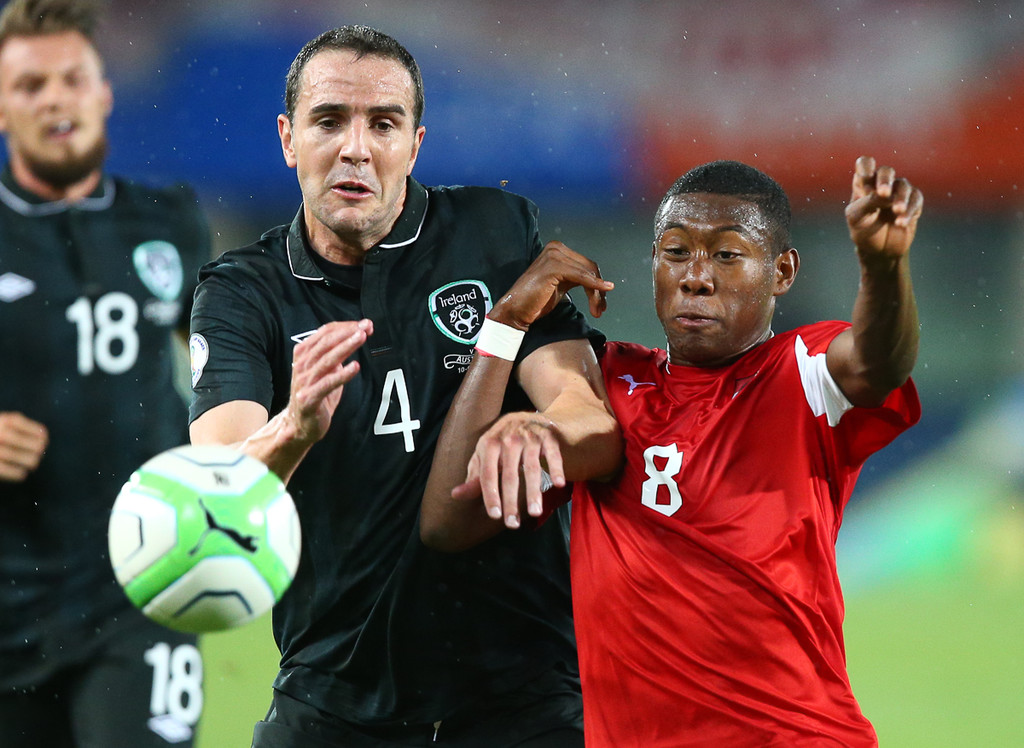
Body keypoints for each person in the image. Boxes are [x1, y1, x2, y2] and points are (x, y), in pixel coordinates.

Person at [187, 24, 621, 748]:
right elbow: (218, 488)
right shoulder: (243, 292)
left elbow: (583, 408)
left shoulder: (491, 233)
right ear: (289, 139)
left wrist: (541, 429)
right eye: (329, 121)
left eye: (383, 124)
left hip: (524, 698)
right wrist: (294, 427)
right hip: (333, 697)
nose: (355, 148)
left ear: (415, 146)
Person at [420, 156, 923, 747]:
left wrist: (884, 268)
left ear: (782, 272)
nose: (696, 277)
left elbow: (877, 362)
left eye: (727, 255)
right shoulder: (607, 381)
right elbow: (449, 521)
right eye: (677, 252)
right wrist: (505, 324)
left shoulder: (800, 371)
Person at [0, 0, 212, 746]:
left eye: (72, 78)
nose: (54, 98)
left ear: (103, 92)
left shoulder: (170, 220)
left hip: (143, 584)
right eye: (30, 85)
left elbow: (226, 367)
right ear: (1, 107)